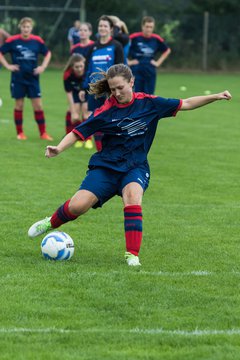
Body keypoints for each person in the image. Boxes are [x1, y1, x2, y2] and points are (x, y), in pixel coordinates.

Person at [28, 63, 232, 266]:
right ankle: (50, 222)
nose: (116, 93)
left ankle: (132, 254)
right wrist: (59, 148)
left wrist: (215, 96)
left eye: (120, 88)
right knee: (78, 206)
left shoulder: (149, 104)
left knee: (133, 196)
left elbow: (186, 103)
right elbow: (78, 132)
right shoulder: (105, 111)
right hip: (106, 167)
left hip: (135, 166)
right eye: (112, 89)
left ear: (131, 82)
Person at [0, 17, 53, 140]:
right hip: (18, 78)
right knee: (19, 105)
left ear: (31, 28)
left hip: (33, 78)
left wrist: (43, 66)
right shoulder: (13, 40)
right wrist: (7, 65)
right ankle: (20, 133)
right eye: (24, 27)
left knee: (38, 106)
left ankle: (43, 133)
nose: (26, 29)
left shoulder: (37, 41)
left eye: (28, 27)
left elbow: (47, 53)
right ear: (20, 28)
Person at [81, 15, 124, 151]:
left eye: (105, 26)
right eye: (100, 26)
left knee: (110, 117)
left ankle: (112, 146)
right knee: (94, 117)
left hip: (111, 89)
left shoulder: (116, 46)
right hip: (94, 89)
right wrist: (84, 88)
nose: (102, 28)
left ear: (111, 29)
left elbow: (121, 68)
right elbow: (88, 68)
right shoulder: (93, 47)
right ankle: (100, 150)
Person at [128, 16, 171, 94]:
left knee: (149, 96)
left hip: (150, 70)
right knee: (135, 95)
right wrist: (128, 62)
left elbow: (167, 50)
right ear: (142, 26)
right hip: (136, 70)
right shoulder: (134, 37)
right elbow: (121, 47)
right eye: (147, 27)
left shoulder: (156, 38)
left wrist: (158, 63)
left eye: (151, 27)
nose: (149, 29)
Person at [63, 53, 93, 149]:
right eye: (76, 67)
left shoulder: (88, 72)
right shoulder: (67, 75)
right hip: (75, 93)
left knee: (86, 113)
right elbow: (69, 94)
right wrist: (73, 112)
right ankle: (77, 138)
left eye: (81, 66)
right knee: (74, 113)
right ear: (72, 66)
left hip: (88, 91)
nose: (79, 69)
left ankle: (88, 139)